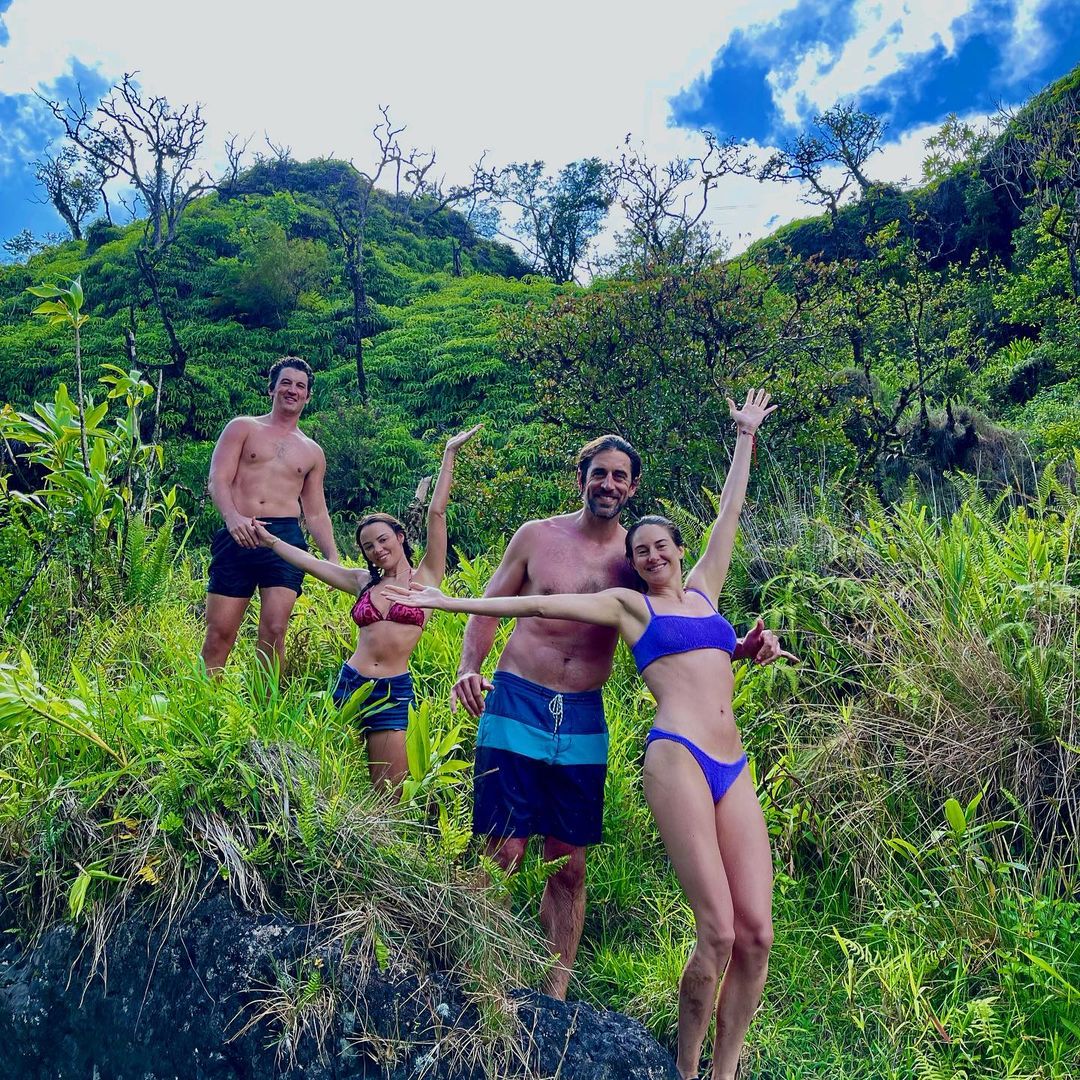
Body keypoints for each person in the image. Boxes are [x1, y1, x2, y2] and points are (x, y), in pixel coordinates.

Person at [387, 392, 790, 1079]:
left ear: (634, 490)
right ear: (581, 477)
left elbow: (721, 541)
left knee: (569, 863)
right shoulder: (548, 542)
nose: (608, 483)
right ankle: (474, 981)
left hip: (584, 715)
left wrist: (743, 646)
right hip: (521, 698)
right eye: (598, 472)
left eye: (620, 476)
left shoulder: (644, 568)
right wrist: (462, 651)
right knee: (502, 850)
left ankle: (555, 998)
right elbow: (518, 600)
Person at [250, 425, 481, 792]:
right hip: (350, 682)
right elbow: (311, 563)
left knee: (389, 789)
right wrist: (271, 541)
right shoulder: (363, 582)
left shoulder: (426, 578)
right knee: (324, 780)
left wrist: (449, 454)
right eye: (368, 546)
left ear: (400, 537)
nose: (377, 550)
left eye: (383, 540)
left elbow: (437, 513)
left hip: (392, 689)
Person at [201, 357, 338, 677]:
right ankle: (206, 698)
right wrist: (233, 518)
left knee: (275, 630)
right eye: (286, 383)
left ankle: (265, 703)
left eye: (300, 386)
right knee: (220, 632)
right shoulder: (243, 427)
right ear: (272, 388)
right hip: (239, 531)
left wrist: (332, 557)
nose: (292, 390)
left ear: (308, 396)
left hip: (284, 539)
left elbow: (316, 511)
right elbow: (218, 479)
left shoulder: (312, 451)